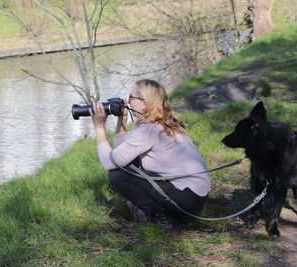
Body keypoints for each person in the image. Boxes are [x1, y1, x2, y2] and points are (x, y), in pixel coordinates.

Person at [90, 79, 210, 230]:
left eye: (132, 97)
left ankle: (162, 217)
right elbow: (122, 155)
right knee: (128, 165)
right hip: (196, 197)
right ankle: (167, 212)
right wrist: (122, 119)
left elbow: (110, 163)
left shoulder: (148, 130)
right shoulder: (162, 123)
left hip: (185, 197)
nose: (128, 100)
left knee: (117, 175)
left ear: (145, 103)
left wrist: (99, 128)